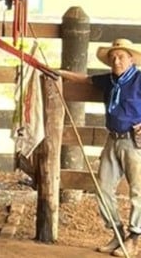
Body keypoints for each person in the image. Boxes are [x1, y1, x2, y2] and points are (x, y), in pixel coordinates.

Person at [56, 38, 141, 256]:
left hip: (135, 141)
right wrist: (59, 73)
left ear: (131, 59)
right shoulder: (109, 80)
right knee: (102, 187)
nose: (116, 61)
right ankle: (117, 233)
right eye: (113, 57)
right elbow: (84, 79)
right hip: (112, 139)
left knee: (138, 190)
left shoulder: (139, 80)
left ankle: (134, 238)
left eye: (121, 57)